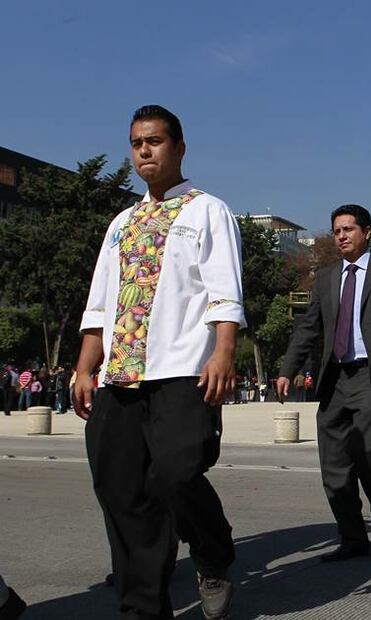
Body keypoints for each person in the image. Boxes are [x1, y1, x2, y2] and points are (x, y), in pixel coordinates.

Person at [73, 105, 243, 619]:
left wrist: (224, 351)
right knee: (120, 490)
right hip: (119, 376)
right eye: (136, 143)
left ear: (179, 148)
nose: (144, 151)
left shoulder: (206, 210)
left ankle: (212, 554)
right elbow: (100, 303)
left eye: (155, 141)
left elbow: (224, 290)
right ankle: (144, 607)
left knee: (174, 473)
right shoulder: (121, 223)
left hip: (181, 371)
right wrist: (85, 367)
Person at [277, 203, 371, 561]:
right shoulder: (326, 278)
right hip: (334, 380)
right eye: (336, 230)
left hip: (370, 379)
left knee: (366, 457)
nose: (341, 235)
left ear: (366, 232)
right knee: (334, 467)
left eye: (348, 229)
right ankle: (353, 536)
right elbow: (310, 327)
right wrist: (287, 368)